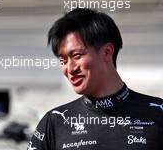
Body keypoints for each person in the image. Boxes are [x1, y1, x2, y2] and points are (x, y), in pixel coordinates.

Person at [28, 8, 163, 150]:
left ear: (107, 52)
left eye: (77, 56)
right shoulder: (54, 122)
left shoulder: (158, 113)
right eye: (63, 60)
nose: (70, 68)